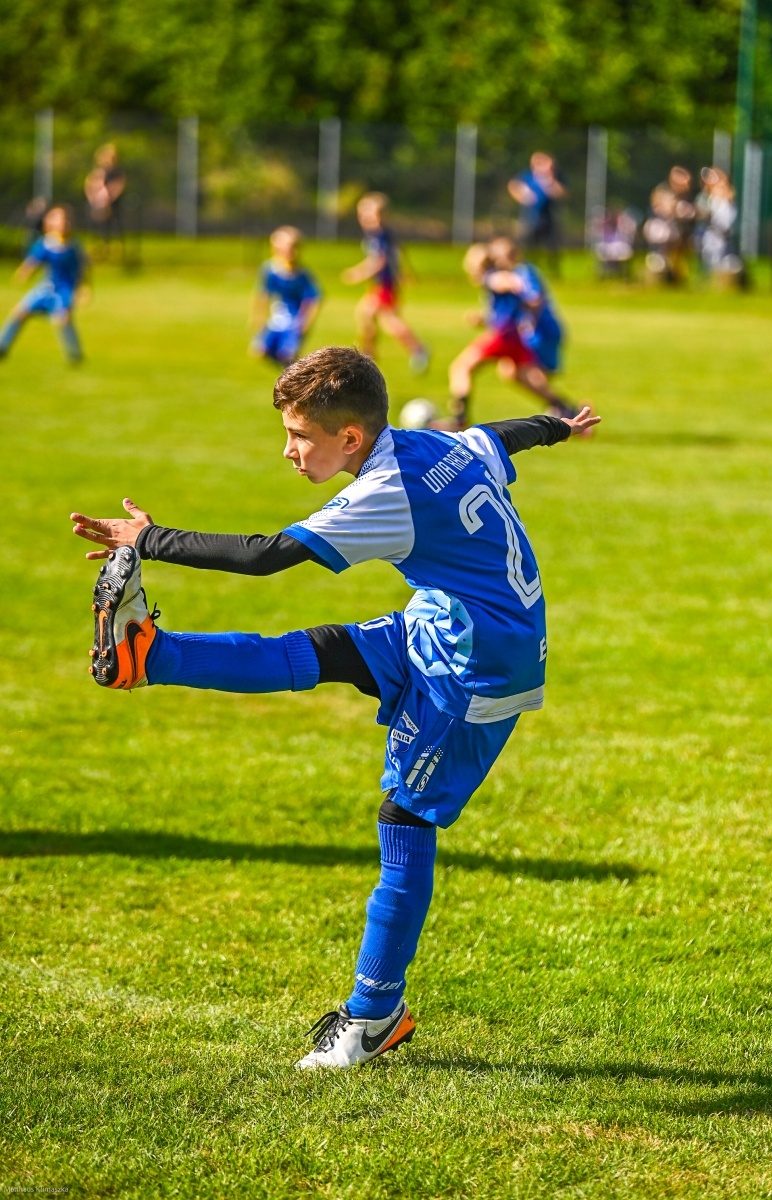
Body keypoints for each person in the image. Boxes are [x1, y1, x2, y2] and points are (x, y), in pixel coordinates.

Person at [69, 347, 599, 1070]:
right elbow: (502, 436)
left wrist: (148, 540)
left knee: (405, 819)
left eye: (300, 436)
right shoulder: (436, 444)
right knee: (319, 649)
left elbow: (265, 557)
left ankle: (375, 1015)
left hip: (478, 669)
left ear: (351, 437)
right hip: (444, 622)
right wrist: (560, 425)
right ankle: (149, 657)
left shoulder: (388, 489)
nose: (288, 450)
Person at [447, 237, 584, 430]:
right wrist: (484, 318)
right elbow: (505, 309)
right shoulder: (501, 277)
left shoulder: (493, 277)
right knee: (518, 374)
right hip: (515, 337)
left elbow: (508, 283)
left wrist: (513, 284)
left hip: (503, 336)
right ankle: (567, 409)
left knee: (461, 367)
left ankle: (459, 419)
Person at [341, 193, 429, 372]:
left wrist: (358, 273)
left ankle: (417, 350)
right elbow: (399, 252)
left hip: (385, 284)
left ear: (383, 215)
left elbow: (379, 261)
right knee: (368, 315)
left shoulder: (379, 236)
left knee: (386, 319)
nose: (366, 218)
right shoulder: (381, 234)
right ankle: (368, 355)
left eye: (371, 214)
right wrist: (405, 272)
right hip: (381, 284)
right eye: (362, 214)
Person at [0, 204, 88, 363]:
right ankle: (2, 346)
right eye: (58, 219)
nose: (63, 224)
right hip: (46, 287)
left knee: (63, 319)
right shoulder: (46, 243)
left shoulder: (73, 246)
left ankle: (74, 353)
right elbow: (33, 261)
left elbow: (82, 269)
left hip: (64, 289)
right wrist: (25, 272)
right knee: (19, 313)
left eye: (65, 220)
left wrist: (83, 288)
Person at [249, 226, 321, 366]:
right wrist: (258, 317)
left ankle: (297, 373)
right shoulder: (270, 270)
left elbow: (314, 298)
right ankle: (292, 372)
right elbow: (263, 294)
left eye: (295, 247)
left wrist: (306, 322)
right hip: (275, 321)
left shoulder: (302, 275)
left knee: (287, 355)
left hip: (294, 323)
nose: (291, 251)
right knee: (260, 351)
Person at [507, 152, 567, 276]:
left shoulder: (555, 178)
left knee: (552, 246)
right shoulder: (527, 176)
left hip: (549, 216)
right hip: (530, 216)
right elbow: (512, 185)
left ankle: (553, 271)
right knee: (528, 245)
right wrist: (522, 197)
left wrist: (550, 181)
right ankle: (528, 268)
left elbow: (562, 193)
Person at [84, 143, 126, 251]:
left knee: (114, 222)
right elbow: (90, 183)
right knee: (98, 222)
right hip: (99, 201)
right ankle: (100, 242)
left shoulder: (117, 171)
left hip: (112, 202)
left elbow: (119, 185)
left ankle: (116, 243)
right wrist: (93, 198)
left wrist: (111, 197)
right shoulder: (99, 171)